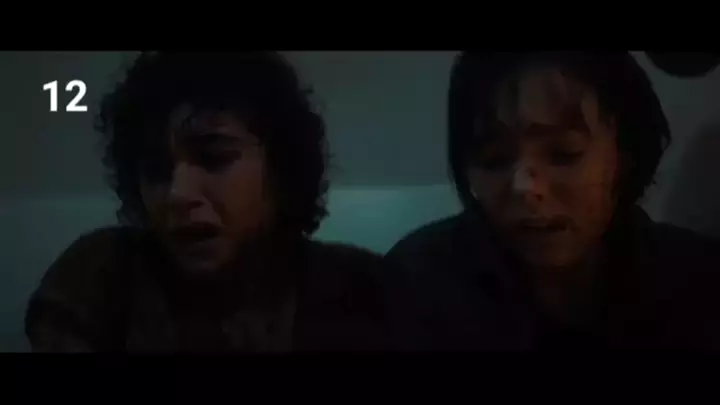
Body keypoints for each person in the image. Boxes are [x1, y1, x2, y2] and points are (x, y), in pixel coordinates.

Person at [26, 51, 388, 352]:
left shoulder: (358, 287)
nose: (177, 194)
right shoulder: (101, 278)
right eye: (155, 170)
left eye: (214, 158)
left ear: (281, 168)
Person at [385, 51, 720, 351]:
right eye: (493, 160)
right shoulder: (417, 281)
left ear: (624, 154)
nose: (525, 187)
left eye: (564, 154)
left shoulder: (698, 283)